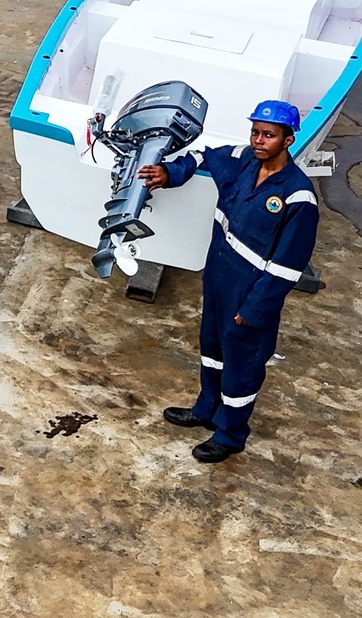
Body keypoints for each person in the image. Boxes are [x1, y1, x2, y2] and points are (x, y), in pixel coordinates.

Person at [138, 100, 319, 464]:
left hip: (250, 294)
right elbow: (203, 155)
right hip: (218, 279)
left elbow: (287, 267)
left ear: (287, 140)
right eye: (255, 132)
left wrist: (254, 309)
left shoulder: (298, 197)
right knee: (212, 350)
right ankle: (206, 409)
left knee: (242, 364)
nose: (258, 140)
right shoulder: (240, 161)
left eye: (269, 135)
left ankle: (231, 433)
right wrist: (170, 174)